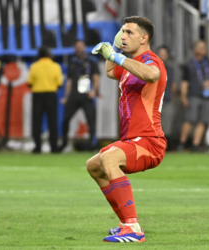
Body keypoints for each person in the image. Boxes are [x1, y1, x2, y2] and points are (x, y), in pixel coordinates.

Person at [89, 16, 167, 243]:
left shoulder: (151, 60)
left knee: (110, 159)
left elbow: (152, 75)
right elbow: (111, 71)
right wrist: (113, 49)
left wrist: (115, 56)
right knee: (94, 166)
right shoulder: (129, 65)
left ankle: (133, 228)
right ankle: (124, 223)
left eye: (129, 33)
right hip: (134, 141)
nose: (124, 36)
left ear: (144, 38)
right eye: (122, 32)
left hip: (150, 142)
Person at [59, 40, 100, 151]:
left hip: (86, 96)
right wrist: (66, 96)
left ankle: (93, 145)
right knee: (66, 119)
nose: (78, 49)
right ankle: (64, 143)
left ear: (85, 47)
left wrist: (94, 91)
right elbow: (69, 80)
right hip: (74, 95)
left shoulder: (91, 61)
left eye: (80, 46)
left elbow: (96, 77)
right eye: (76, 47)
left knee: (91, 120)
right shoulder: (73, 62)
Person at [178, 40, 209, 152]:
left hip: (207, 96)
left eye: (205, 47)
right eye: (201, 47)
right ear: (195, 49)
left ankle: (196, 144)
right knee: (189, 119)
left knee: (203, 120)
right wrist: (183, 96)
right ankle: (182, 143)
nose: (204, 50)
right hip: (194, 95)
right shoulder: (189, 64)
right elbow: (185, 81)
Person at [27, 46, 63, 153]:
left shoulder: (34, 66)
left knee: (36, 122)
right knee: (52, 122)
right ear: (48, 54)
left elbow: (30, 82)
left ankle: (37, 147)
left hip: (37, 95)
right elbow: (59, 83)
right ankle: (54, 147)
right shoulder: (55, 66)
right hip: (51, 94)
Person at [157, 45, 177, 149]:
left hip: (167, 99)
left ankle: (165, 146)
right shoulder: (152, 68)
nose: (162, 56)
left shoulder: (170, 70)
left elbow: (173, 85)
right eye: (160, 54)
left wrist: (172, 98)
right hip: (155, 101)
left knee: (167, 124)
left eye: (164, 54)